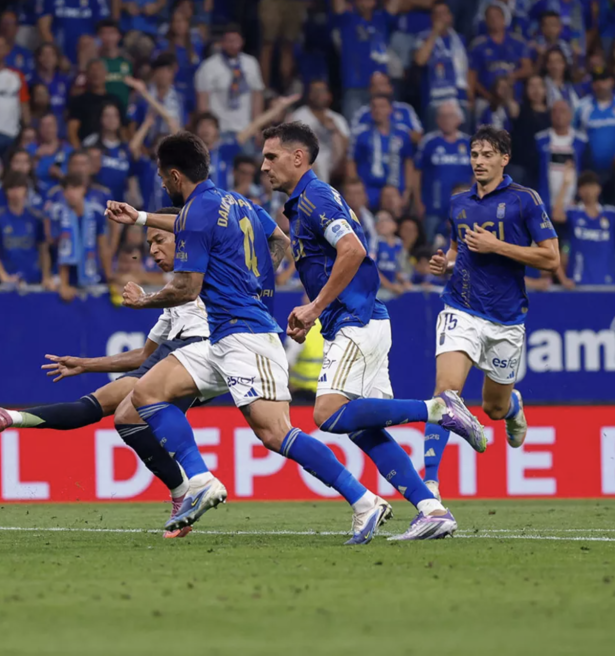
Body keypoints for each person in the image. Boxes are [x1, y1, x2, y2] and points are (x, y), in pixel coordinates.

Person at [96, 131, 456, 543]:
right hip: (224, 335)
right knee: (146, 393)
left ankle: (365, 500)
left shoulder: (207, 211)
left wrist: (144, 301)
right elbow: (278, 240)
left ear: (175, 176)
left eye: (163, 178)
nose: (163, 185)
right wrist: (143, 218)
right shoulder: (235, 203)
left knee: (277, 433)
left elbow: (186, 289)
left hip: (246, 336)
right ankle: (198, 479)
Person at [262, 121, 483, 539]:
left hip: (356, 320)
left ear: (298, 158)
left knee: (326, 414)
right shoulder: (302, 204)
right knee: (364, 429)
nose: (263, 166)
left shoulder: (315, 197)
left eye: (271, 157)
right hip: (362, 320)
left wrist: (314, 307)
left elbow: (354, 250)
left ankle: (438, 409)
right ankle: (431, 509)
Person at [0, 211, 208, 538]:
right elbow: (143, 355)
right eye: (149, 242)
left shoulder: (206, 271)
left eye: (159, 240)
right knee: (95, 406)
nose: (152, 249)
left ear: (181, 238)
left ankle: (186, 491)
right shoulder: (173, 297)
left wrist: (144, 299)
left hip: (198, 355)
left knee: (127, 415)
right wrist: (85, 364)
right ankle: (6, 417)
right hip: (174, 355)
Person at [423, 126, 560, 500]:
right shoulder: (458, 203)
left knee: (493, 409)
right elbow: (457, 250)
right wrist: (445, 265)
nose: (479, 162)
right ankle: (429, 487)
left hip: (506, 318)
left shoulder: (525, 200)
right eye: (474, 155)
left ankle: (512, 404)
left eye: (487, 155)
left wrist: (497, 246)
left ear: (504, 159)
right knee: (444, 395)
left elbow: (551, 258)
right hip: (461, 307)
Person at [552, 169, 615, 287]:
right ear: (579, 191)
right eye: (584, 187)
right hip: (579, 282)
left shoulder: (610, 214)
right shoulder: (574, 213)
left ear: (599, 189)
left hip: (607, 283)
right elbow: (556, 215)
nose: (589, 191)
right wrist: (565, 184)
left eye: (592, 186)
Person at [415, 100, 473, 242]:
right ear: (437, 120)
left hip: (463, 209)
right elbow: (416, 173)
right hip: (432, 208)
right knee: (431, 248)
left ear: (459, 119)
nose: (447, 120)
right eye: (443, 116)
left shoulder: (470, 143)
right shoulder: (428, 142)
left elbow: (477, 175)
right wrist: (417, 202)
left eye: (451, 116)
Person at [194, 25, 265, 137]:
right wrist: (206, 130)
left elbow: (257, 96)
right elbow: (203, 101)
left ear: (242, 42)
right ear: (222, 43)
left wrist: (257, 128)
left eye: (236, 41)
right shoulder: (209, 66)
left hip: (246, 129)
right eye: (229, 41)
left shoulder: (251, 63)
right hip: (219, 130)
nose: (232, 45)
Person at [348, 95, 416, 211]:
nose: (378, 110)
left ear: (391, 109)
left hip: (395, 189)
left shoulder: (402, 133)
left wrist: (408, 191)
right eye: (374, 107)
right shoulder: (360, 134)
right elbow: (351, 162)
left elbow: (408, 163)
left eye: (382, 106)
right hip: (368, 189)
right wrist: (358, 192)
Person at [413, 0, 470, 133]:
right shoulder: (422, 38)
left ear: (450, 17)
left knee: (463, 145)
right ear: (432, 18)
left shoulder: (459, 40)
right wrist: (435, 33)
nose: (440, 17)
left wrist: (469, 97)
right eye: (436, 14)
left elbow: (467, 70)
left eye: (444, 13)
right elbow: (420, 60)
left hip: (459, 100)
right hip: (434, 102)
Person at [332, 0, 391, 124]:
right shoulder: (347, 19)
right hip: (355, 87)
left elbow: (395, 5)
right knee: (354, 130)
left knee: (385, 129)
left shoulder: (381, 19)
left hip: (381, 89)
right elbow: (338, 6)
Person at [0, 172, 50, 287]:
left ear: (26, 190)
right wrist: (3, 276)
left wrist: (46, 277)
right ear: (6, 191)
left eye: (19, 187)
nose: (16, 192)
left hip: (34, 279)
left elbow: (43, 250)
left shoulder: (36, 218)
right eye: (11, 188)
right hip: (8, 281)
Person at [574, 69, 615, 176]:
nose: (600, 84)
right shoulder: (582, 107)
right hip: (590, 170)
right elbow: (575, 135)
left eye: (604, 80)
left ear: (611, 82)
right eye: (596, 81)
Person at [54, 173, 106, 301]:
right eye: (68, 189)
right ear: (64, 192)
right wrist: (63, 284)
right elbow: (61, 248)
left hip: (91, 272)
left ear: (84, 189)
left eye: (75, 188)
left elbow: (103, 246)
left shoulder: (96, 213)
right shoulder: (57, 214)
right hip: (63, 278)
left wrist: (109, 277)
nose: (71, 193)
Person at [288, 80, 350, 182]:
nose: (318, 94)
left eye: (322, 91)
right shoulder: (298, 116)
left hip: (333, 166)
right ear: (310, 95)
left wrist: (335, 130)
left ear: (329, 95)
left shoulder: (337, 119)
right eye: (315, 91)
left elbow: (347, 148)